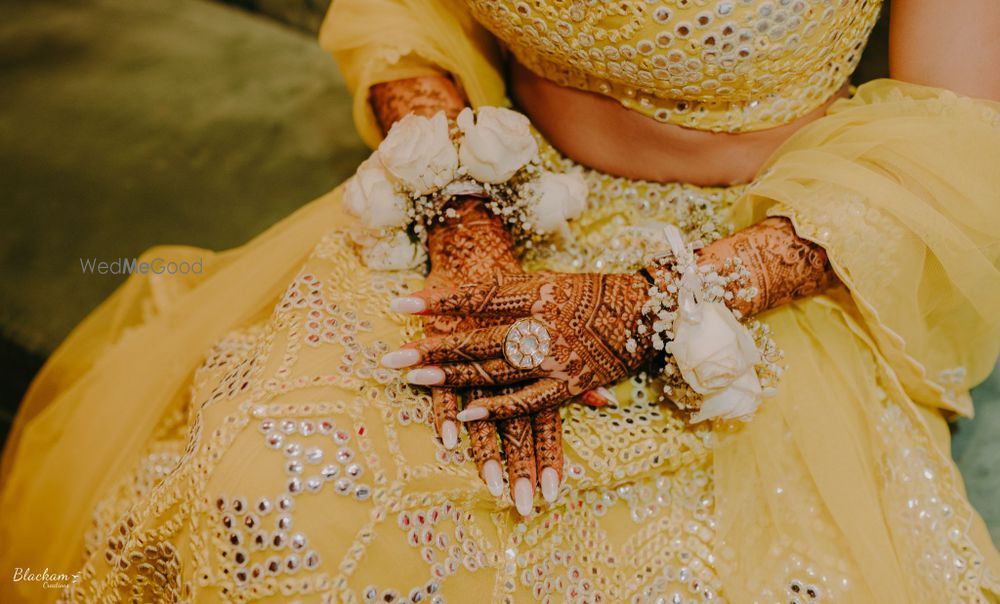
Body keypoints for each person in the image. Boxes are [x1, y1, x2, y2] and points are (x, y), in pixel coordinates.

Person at [2, 0, 1000, 601]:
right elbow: (408, 12)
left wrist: (656, 306)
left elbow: (957, 134)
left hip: (755, 268)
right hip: (495, 200)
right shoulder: (468, 214)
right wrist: (463, 212)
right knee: (264, 488)